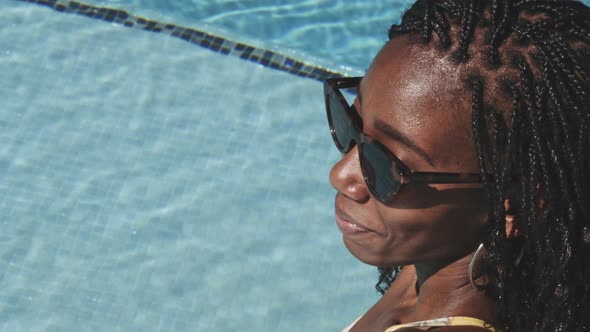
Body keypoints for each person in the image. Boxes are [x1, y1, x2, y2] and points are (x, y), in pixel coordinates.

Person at [324, 0, 590, 331]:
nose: (341, 175)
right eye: (350, 120)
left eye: (386, 165)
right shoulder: (436, 260)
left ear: (513, 208)